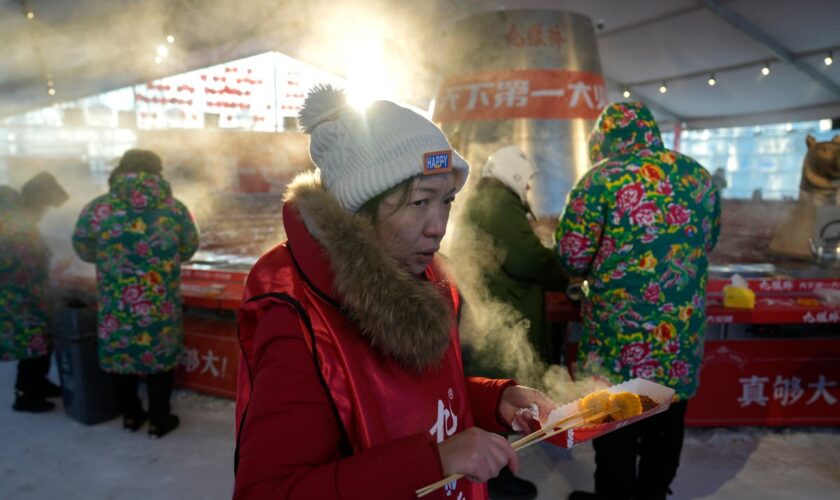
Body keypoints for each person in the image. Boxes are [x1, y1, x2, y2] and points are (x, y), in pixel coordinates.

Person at [233, 84, 557, 499]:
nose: (439, 226)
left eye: (446, 202)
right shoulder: (299, 316)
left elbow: (414, 400)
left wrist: (494, 400)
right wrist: (436, 461)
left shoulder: (428, 277)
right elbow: (270, 491)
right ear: (359, 211)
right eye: (421, 202)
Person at [554, 102, 721, 500]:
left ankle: (614, 495)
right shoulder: (697, 176)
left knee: (615, 426)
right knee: (667, 419)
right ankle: (654, 492)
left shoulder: (600, 181)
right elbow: (709, 240)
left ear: (604, 138)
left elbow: (571, 255)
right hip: (679, 337)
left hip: (618, 341)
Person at [451, 146, 570, 499]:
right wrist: (561, 268)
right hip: (493, 319)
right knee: (494, 397)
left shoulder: (487, 199)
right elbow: (525, 260)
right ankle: (493, 481)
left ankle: (496, 475)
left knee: (492, 397)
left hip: (485, 312)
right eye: (528, 182)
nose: (529, 190)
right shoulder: (500, 204)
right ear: (516, 176)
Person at [72, 149, 199, 437]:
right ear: (158, 172)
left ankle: (130, 415)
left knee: (121, 353)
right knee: (160, 355)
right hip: (160, 299)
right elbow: (189, 247)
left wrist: (109, 260)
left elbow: (82, 247)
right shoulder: (174, 209)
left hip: (116, 299)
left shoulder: (98, 209)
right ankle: (159, 418)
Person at [1, 172, 69, 412]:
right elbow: (25, 261)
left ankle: (38, 383)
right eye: (46, 206)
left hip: (26, 290)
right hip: (16, 294)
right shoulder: (14, 223)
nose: (46, 212)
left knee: (38, 339)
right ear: (37, 200)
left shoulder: (18, 217)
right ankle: (25, 394)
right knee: (30, 341)